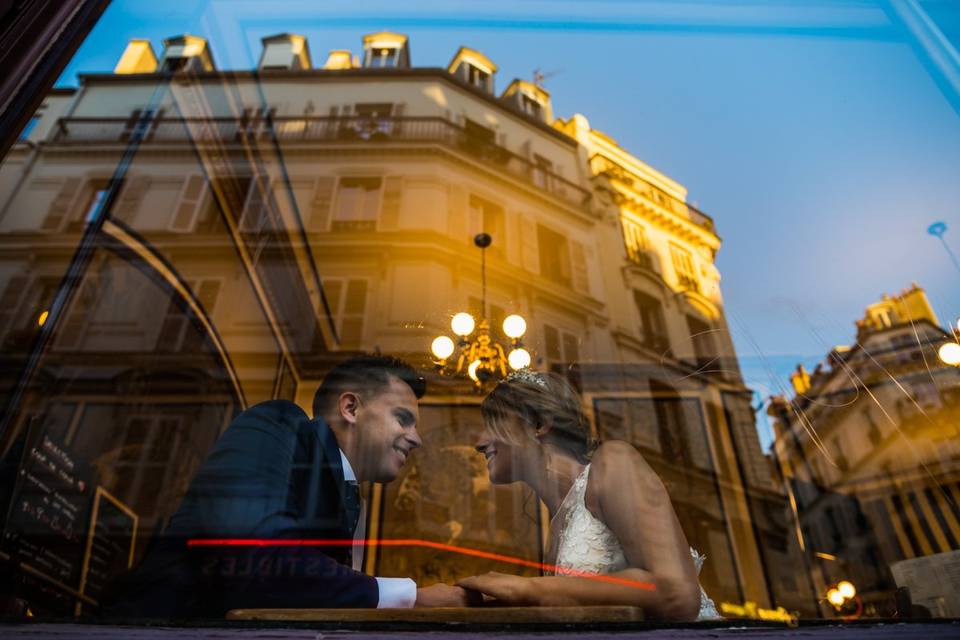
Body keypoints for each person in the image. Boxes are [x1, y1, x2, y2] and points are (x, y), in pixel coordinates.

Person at [103, 354, 471, 618]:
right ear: (351, 408)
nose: (417, 439)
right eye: (403, 419)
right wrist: (415, 598)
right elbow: (259, 562)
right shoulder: (280, 422)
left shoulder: (345, 492)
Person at [458, 369, 719, 620]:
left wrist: (526, 588)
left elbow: (677, 594)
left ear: (539, 424)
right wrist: (469, 601)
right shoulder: (560, 518)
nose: (479, 443)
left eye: (492, 423)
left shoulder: (613, 462)